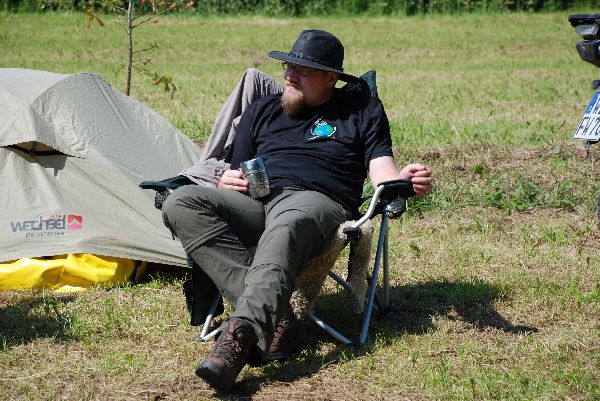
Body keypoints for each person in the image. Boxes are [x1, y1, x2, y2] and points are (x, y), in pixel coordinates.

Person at [162, 29, 433, 392]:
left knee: (287, 225)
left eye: (301, 70)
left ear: (331, 78)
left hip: (317, 202)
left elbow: (382, 170)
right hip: (257, 203)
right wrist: (226, 179)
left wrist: (402, 180)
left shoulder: (360, 110)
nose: (289, 74)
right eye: (288, 65)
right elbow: (237, 167)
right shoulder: (262, 110)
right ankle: (281, 320)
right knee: (181, 202)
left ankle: (236, 342)